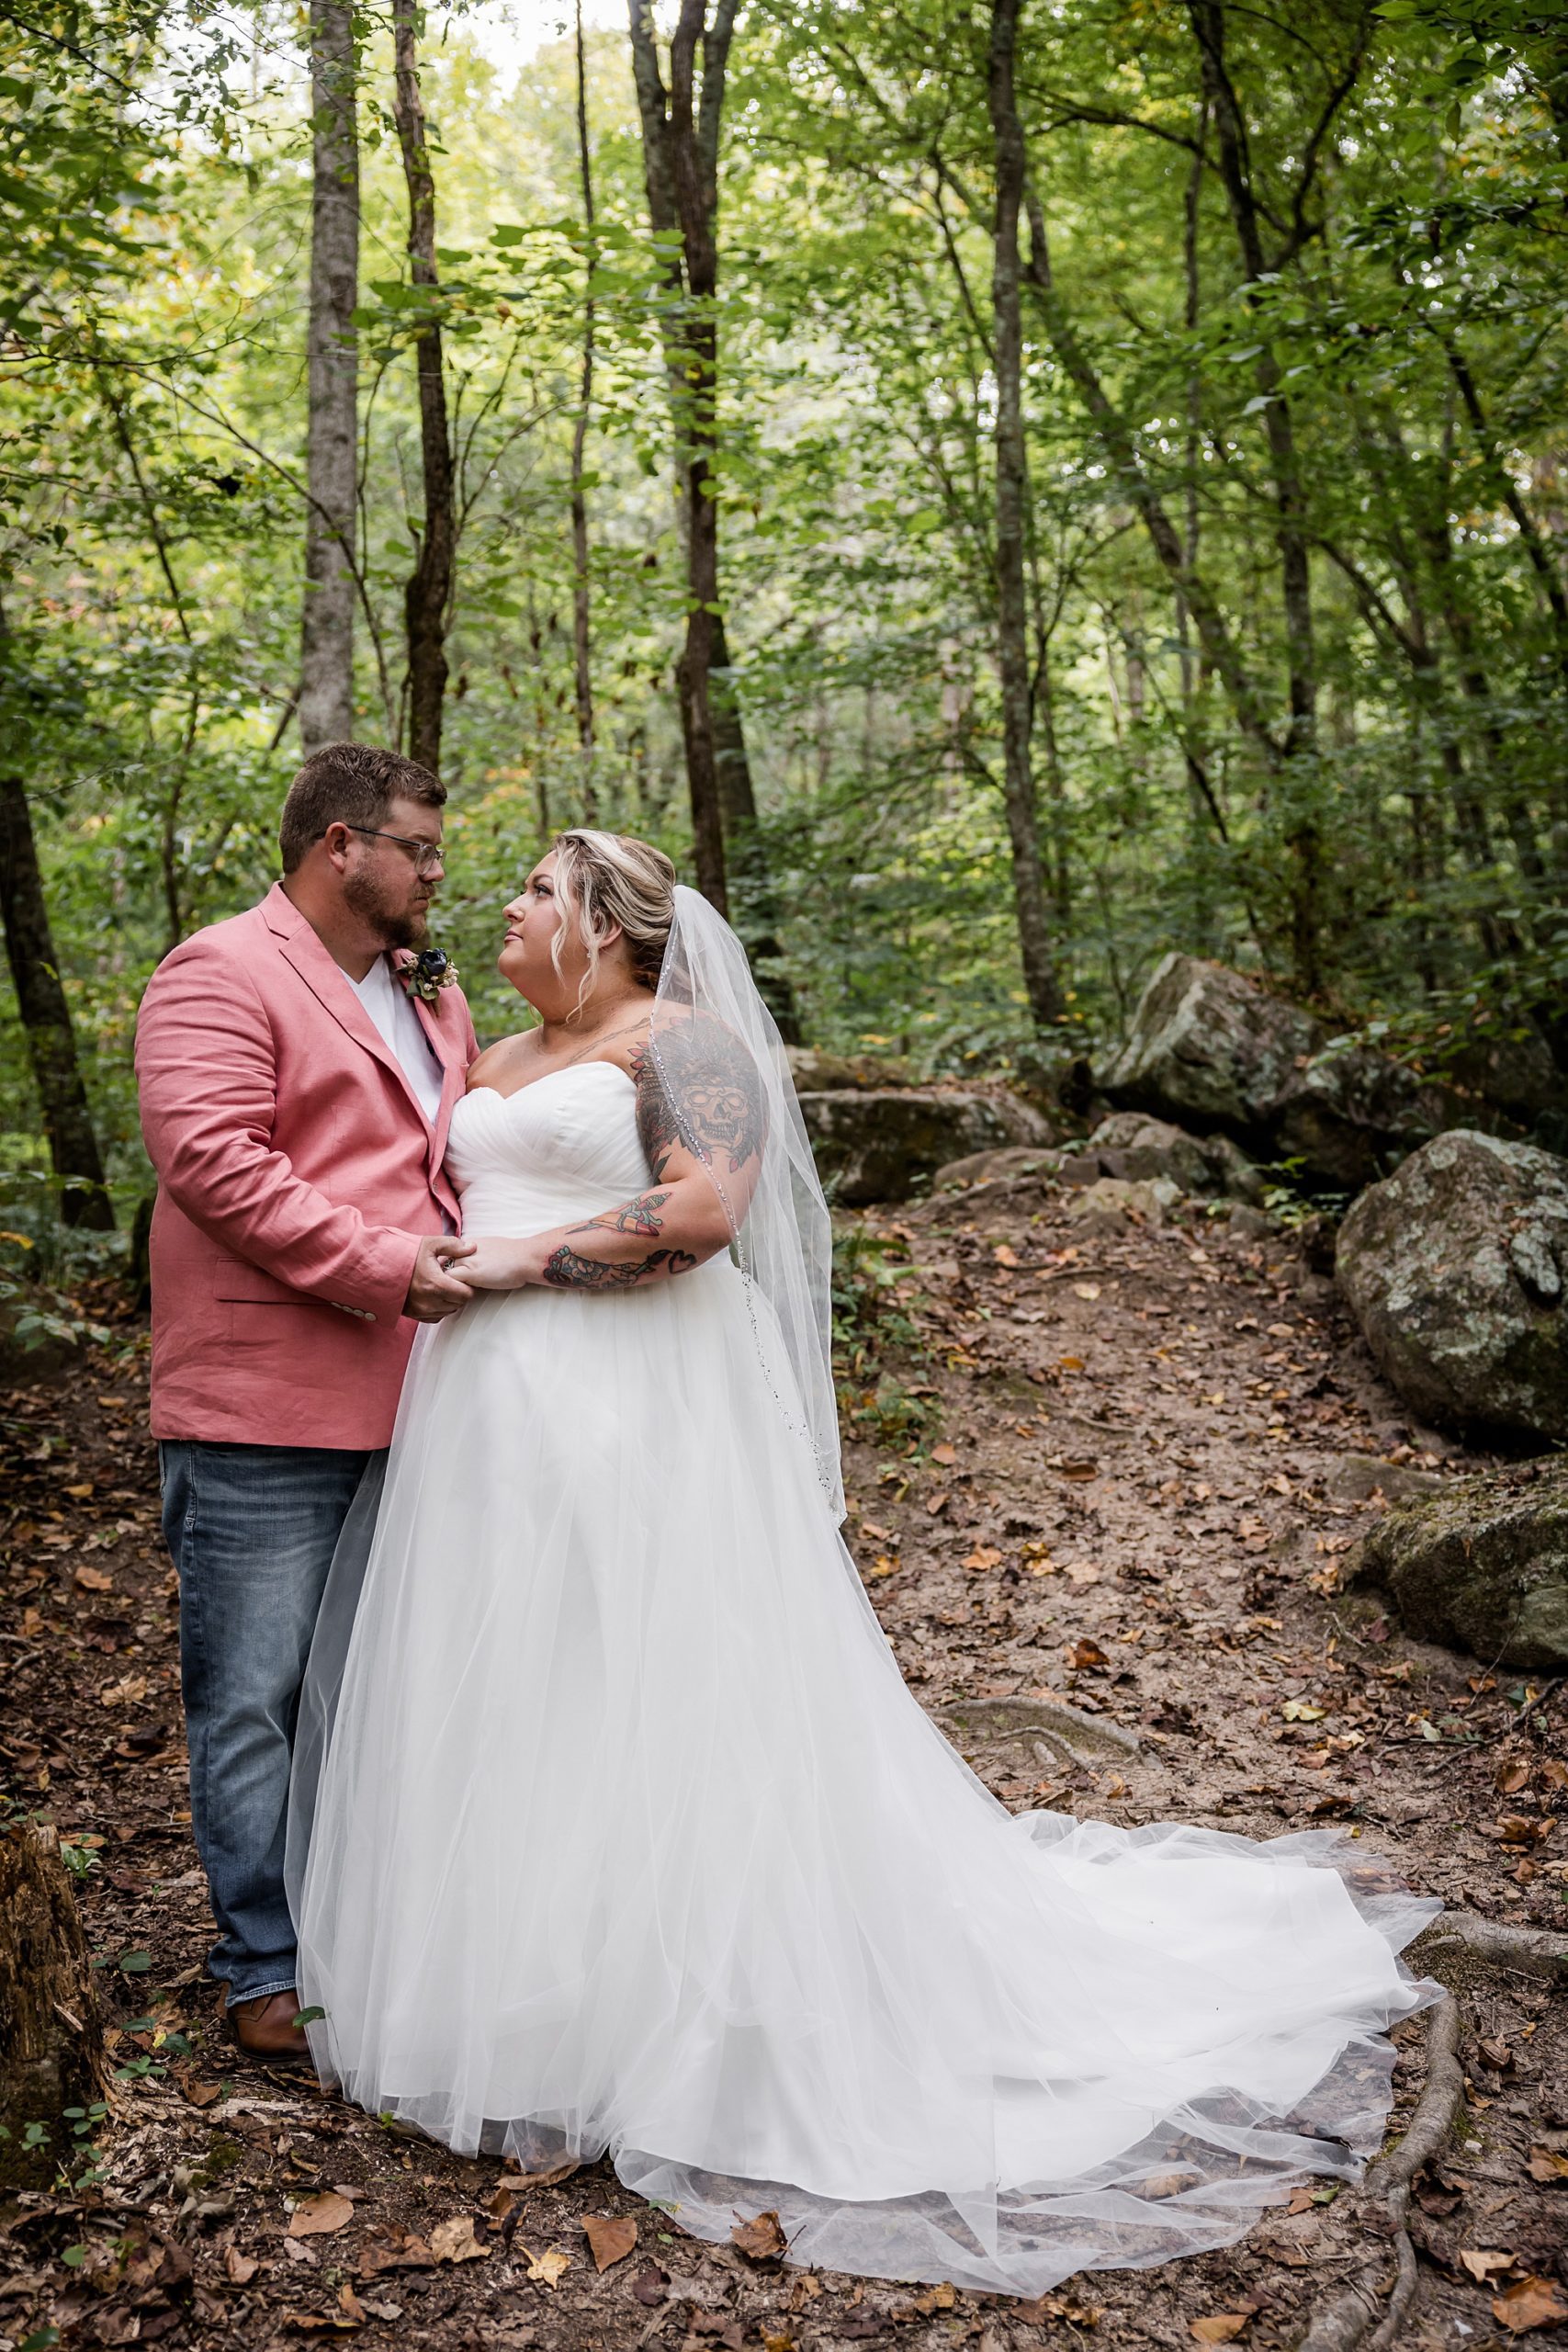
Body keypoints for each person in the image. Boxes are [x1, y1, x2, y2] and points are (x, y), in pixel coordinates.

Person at [288, 828, 1441, 2298]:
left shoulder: (684, 1040)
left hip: (637, 1407)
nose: (504, 908)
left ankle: (698, 2007)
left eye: (535, 891)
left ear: (609, 926)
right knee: (522, 1687)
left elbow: (706, 1215)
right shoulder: (490, 1042)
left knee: (657, 1685)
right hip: (483, 1428)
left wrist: (515, 1264)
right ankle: (531, 2006)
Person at [135, 742, 478, 2061]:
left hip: (427, 1397)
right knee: (254, 1695)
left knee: (380, 1682)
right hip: (263, 1403)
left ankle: (371, 1935)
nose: (438, 873)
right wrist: (391, 1268)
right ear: (342, 845)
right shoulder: (217, 971)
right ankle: (266, 1968)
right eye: (420, 849)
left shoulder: (425, 988)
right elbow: (216, 1163)